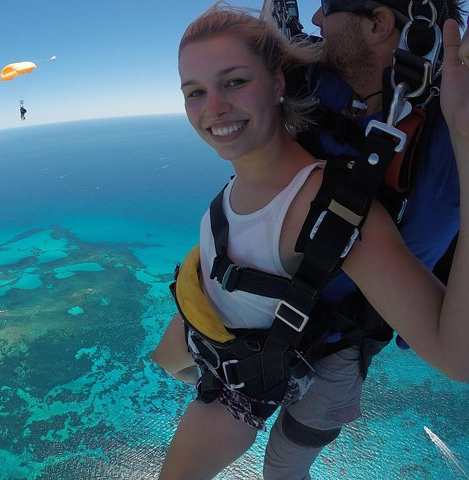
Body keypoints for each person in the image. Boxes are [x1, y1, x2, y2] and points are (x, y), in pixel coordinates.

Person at [152, 3, 469, 479]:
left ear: (380, 23)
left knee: (283, 466)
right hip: (232, 311)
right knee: (168, 362)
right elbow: (260, 47)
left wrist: (464, 137)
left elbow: (454, 353)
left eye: (329, 7)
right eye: (193, 92)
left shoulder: (339, 205)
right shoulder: (315, 82)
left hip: (331, 342)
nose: (317, 20)